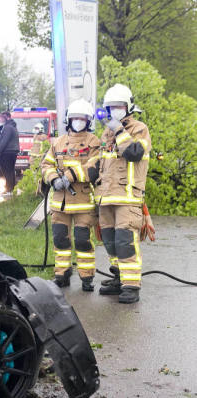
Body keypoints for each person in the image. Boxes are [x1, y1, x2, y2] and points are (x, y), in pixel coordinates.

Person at [93, 84, 151, 304]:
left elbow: (134, 153)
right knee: (110, 242)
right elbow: (101, 164)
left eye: (119, 106)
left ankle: (131, 286)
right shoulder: (106, 132)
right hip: (106, 198)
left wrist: (119, 130)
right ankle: (119, 279)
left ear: (128, 106)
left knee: (126, 242)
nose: (114, 110)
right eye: (111, 107)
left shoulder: (139, 129)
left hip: (127, 197)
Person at [40, 99, 101, 291]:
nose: (78, 121)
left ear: (88, 120)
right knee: (60, 239)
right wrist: (53, 179)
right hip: (60, 203)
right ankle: (62, 274)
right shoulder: (58, 142)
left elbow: (94, 167)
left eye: (82, 118)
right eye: (75, 118)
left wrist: (70, 175)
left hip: (82, 201)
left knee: (83, 240)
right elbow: (46, 164)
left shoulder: (94, 142)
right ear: (68, 119)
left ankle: (86, 277)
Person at [0, 111, 20, 194]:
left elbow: (4, 140)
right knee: (11, 170)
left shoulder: (8, 127)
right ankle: (11, 188)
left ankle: (9, 188)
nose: (2, 119)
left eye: (3, 117)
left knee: (7, 171)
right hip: (12, 151)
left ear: (7, 117)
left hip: (7, 152)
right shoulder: (13, 126)